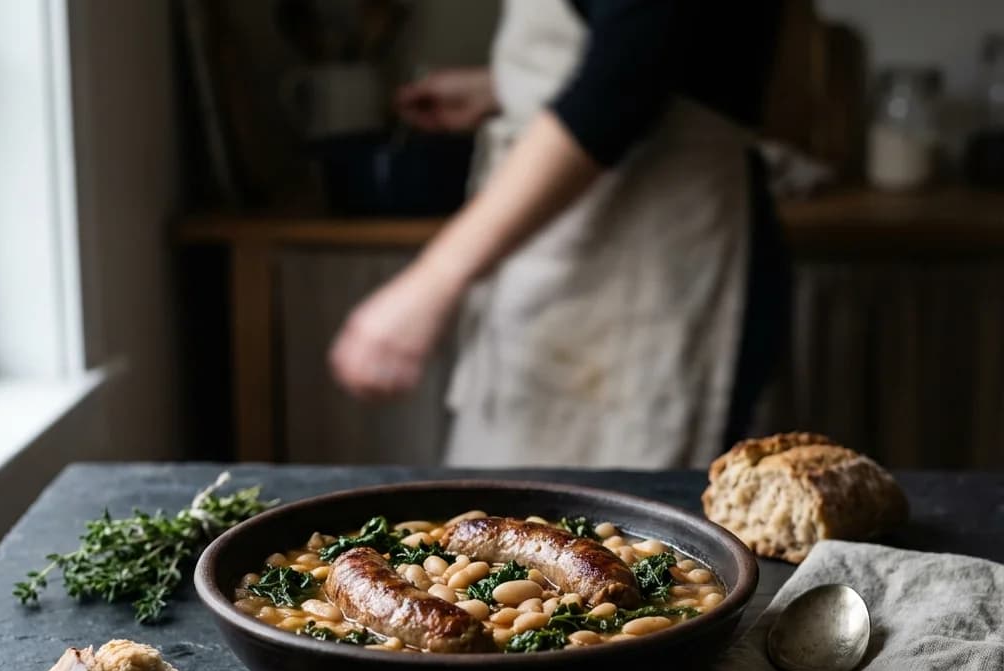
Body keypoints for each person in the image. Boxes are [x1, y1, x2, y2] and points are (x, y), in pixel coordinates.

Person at [327, 0, 791, 468]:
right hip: (575, 262)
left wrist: (432, 281)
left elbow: (620, 87)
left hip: (654, 260)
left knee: (634, 521)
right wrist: (504, 88)